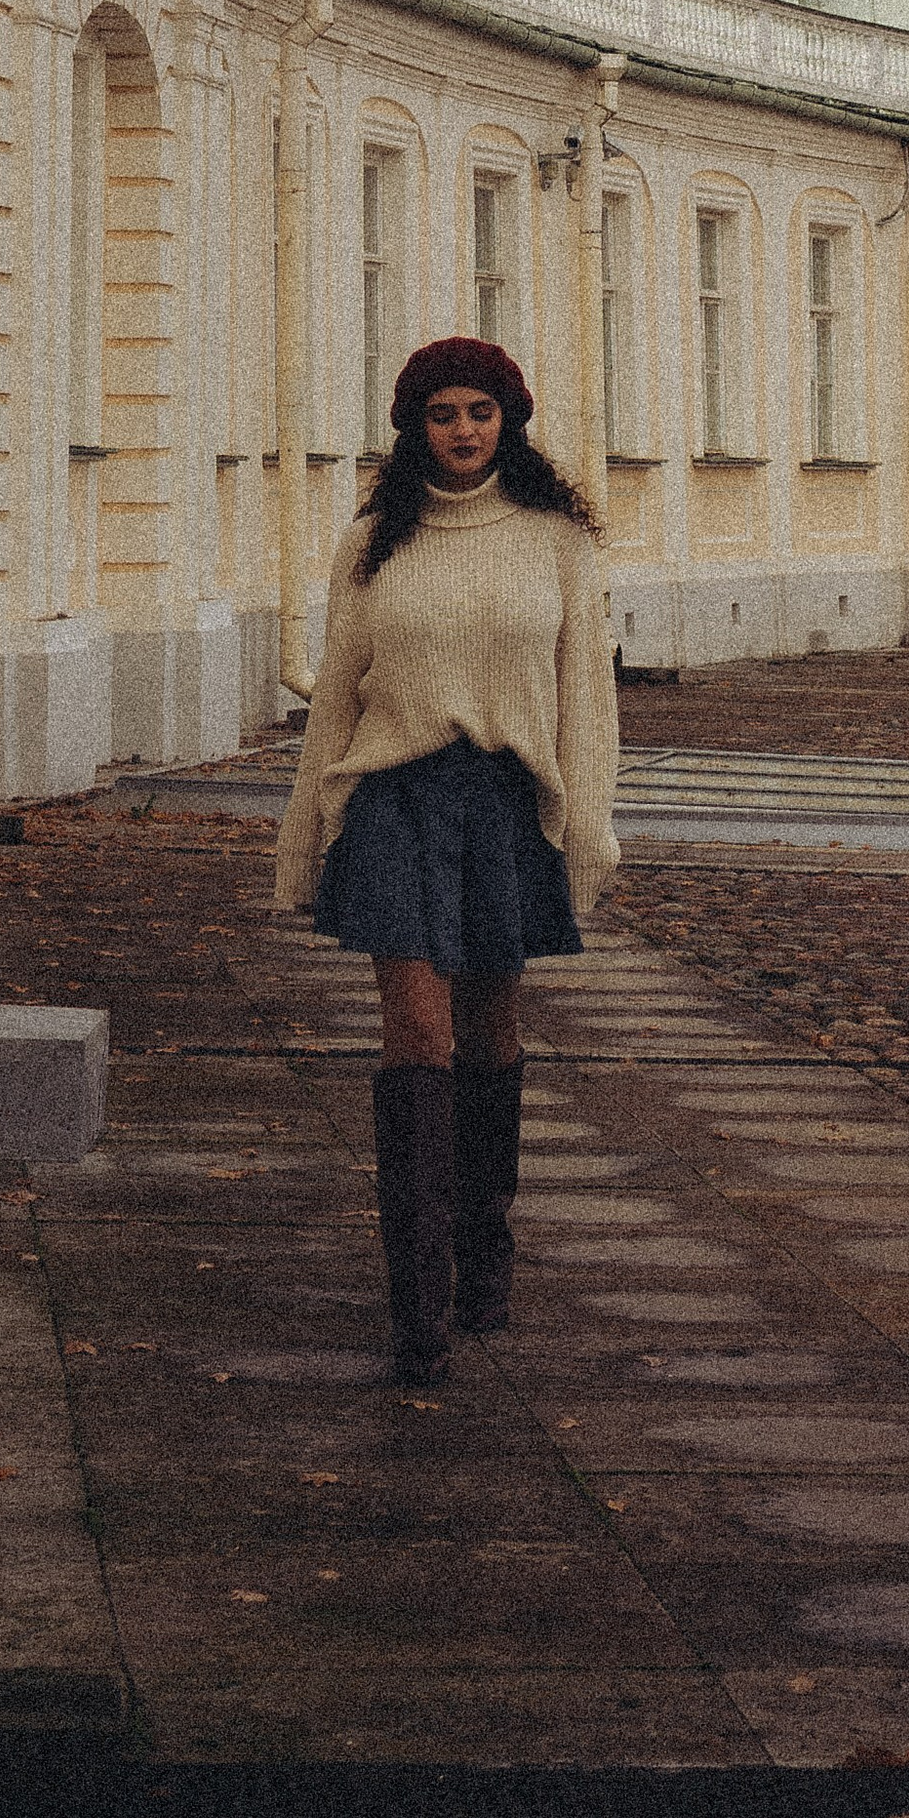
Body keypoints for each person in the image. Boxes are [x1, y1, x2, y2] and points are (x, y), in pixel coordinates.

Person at [273, 337, 618, 1385]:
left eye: (478, 411)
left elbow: (583, 699)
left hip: (507, 803)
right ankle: (416, 1303)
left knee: (487, 1031)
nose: (461, 431)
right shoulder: (377, 537)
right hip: (394, 799)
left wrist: (588, 829)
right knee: (415, 1035)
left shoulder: (556, 540)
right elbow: (337, 686)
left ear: (507, 419)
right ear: (411, 428)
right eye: (440, 414)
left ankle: (484, 1258)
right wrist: (306, 830)